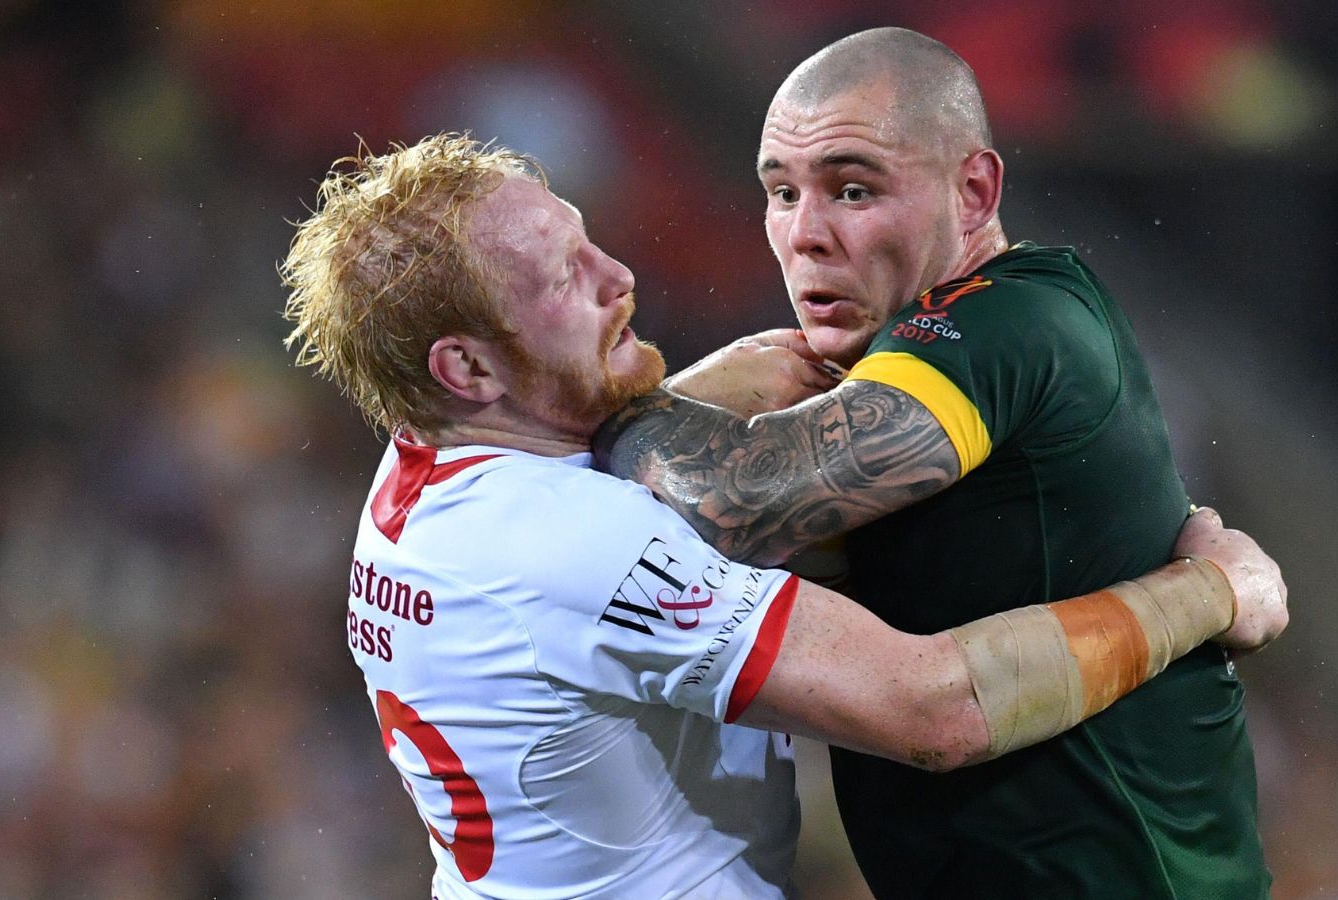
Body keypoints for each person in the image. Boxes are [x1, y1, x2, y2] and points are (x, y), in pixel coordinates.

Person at [280, 134, 1286, 899]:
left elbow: (558, 476)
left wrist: (704, 389)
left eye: (587, 240)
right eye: (563, 280)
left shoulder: (421, 460)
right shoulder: (571, 551)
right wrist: (1202, 591)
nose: (617, 277)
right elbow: (932, 710)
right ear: (466, 367)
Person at [594, 27, 1280, 899]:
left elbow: (734, 500)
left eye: (851, 188)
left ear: (974, 190)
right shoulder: (902, 363)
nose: (805, 233)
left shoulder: (1007, 322)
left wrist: (626, 396)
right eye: (779, 191)